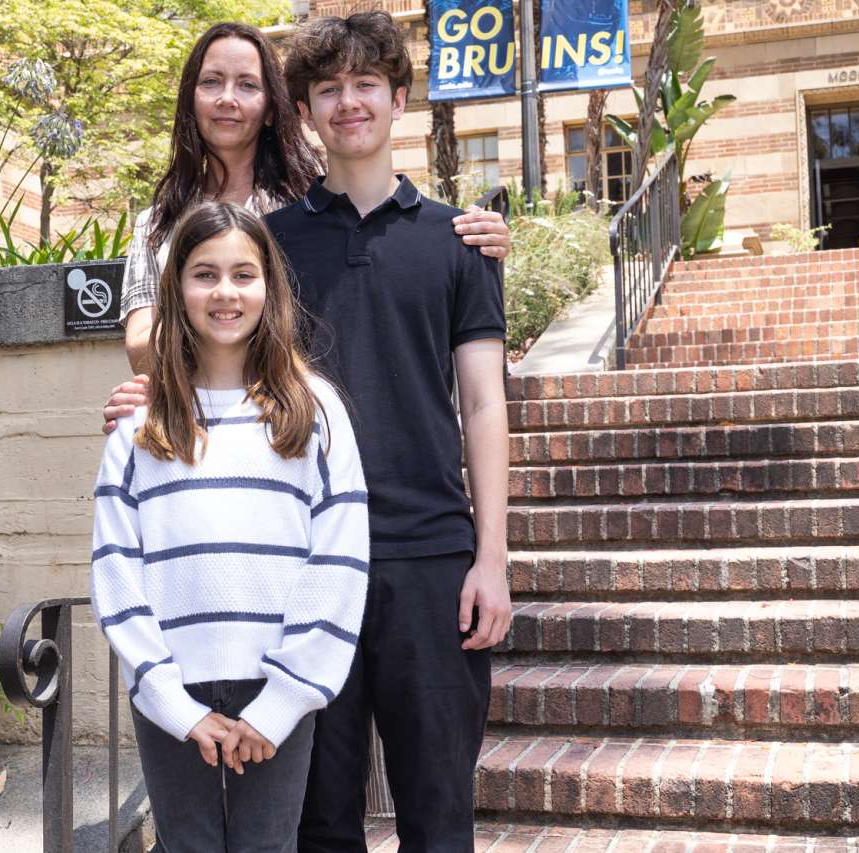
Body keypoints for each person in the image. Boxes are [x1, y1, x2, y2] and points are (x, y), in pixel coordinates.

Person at [269, 14, 512, 851]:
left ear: (399, 98)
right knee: (319, 818)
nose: (348, 102)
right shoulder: (269, 248)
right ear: (305, 110)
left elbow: (483, 404)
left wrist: (491, 559)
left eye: (366, 83)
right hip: (304, 563)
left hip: (431, 561)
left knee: (438, 813)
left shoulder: (460, 243)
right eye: (328, 88)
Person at [90, 200, 370, 852]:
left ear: (269, 286)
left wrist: (282, 700)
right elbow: (115, 565)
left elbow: (339, 559)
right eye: (204, 274)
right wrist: (171, 701)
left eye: (243, 274)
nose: (224, 291)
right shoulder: (139, 426)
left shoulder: (314, 409)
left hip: (278, 681)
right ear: (176, 289)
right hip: (169, 688)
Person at [119, 20, 511, 373]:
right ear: (190, 99)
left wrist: (469, 235)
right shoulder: (157, 223)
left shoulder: (308, 206)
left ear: (274, 109)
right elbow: (140, 345)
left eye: (248, 85)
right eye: (211, 82)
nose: (227, 98)